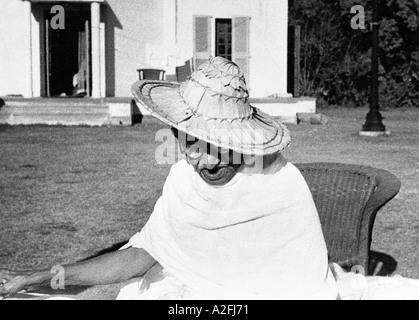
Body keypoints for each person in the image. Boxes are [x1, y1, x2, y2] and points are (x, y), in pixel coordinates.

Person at [1, 57, 418, 300]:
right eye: (190, 143)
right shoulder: (182, 180)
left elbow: (299, 287)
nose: (202, 161)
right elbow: (140, 256)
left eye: (217, 146)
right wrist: (42, 276)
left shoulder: (278, 181)